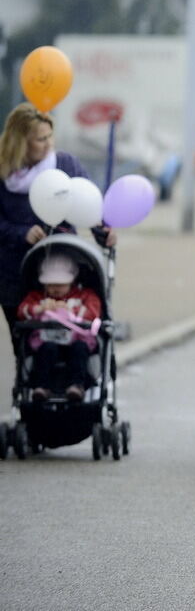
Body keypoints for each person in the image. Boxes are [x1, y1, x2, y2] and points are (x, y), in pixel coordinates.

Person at [0, 104, 115, 354]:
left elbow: (89, 202)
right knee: (24, 336)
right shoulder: (3, 173)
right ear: (21, 142)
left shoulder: (64, 164)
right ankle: (31, 382)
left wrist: (104, 231)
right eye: (40, 139)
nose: (48, 143)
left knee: (67, 333)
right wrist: (22, 233)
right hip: (14, 270)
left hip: (61, 265)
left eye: (50, 136)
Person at [17, 254, 102, 402]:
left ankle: (77, 385)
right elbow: (21, 311)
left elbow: (93, 313)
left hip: (75, 341)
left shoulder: (84, 296)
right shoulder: (38, 297)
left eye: (60, 284)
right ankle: (42, 386)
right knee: (45, 351)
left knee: (80, 350)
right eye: (50, 284)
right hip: (47, 341)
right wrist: (38, 309)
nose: (55, 289)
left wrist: (70, 311)